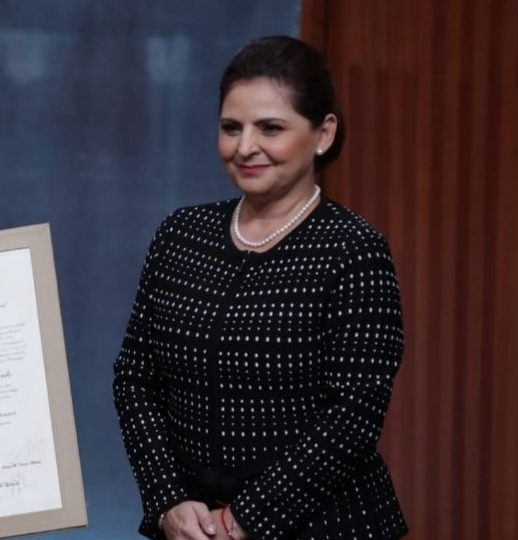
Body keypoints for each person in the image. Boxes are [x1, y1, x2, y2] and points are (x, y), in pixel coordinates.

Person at [113, 36, 407, 540]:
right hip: (190, 528)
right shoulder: (181, 235)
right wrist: (168, 502)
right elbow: (135, 379)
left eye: (270, 128)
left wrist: (245, 520)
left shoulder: (354, 250)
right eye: (231, 128)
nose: (245, 146)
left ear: (323, 133)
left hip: (324, 527)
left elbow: (354, 414)